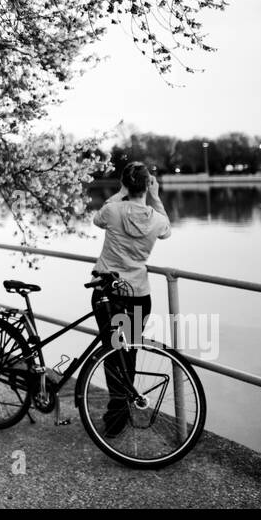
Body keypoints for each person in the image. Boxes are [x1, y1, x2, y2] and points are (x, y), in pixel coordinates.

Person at [91, 161, 172, 437]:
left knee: (113, 354)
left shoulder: (113, 210)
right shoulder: (156, 219)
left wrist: (120, 191)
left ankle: (115, 418)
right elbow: (167, 231)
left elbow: (96, 219)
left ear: (125, 184)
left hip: (110, 293)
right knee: (130, 353)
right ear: (148, 185)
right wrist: (156, 197)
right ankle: (121, 412)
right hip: (138, 294)